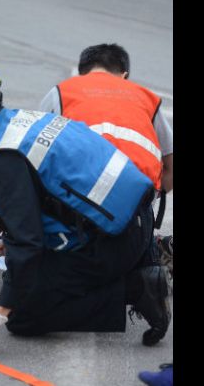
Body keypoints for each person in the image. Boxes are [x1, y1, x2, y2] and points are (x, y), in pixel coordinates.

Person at [0, 57, 171, 347]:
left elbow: (28, 243)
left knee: (24, 315)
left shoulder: (4, 158)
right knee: (28, 275)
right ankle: (134, 267)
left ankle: (136, 288)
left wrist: (0, 314)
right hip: (138, 223)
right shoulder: (24, 121)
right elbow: (47, 195)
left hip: (117, 242)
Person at [40, 43, 174, 274]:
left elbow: (36, 149)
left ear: (82, 72)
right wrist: (151, 198)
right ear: (125, 75)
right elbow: (171, 162)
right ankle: (151, 245)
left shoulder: (63, 91)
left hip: (76, 205)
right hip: (135, 209)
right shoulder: (147, 98)